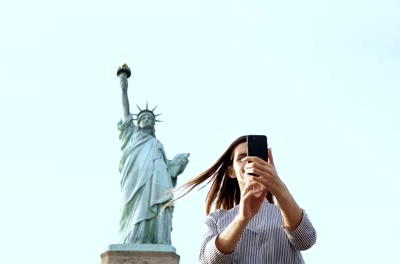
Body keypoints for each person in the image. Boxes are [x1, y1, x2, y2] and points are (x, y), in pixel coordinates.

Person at [173, 135, 316, 263]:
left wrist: (280, 188)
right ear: (231, 172)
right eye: (241, 158)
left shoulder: (286, 213)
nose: (249, 161)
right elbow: (209, 260)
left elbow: (306, 240)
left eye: (256, 156)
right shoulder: (216, 220)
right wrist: (242, 219)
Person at [117, 67, 189, 245]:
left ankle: (155, 239)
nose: (147, 119)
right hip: (135, 181)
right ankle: (134, 239)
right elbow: (125, 111)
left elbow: (168, 168)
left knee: (159, 208)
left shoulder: (157, 145)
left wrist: (177, 164)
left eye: (150, 118)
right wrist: (123, 87)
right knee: (133, 211)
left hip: (157, 183)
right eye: (143, 118)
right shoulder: (132, 135)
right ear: (138, 123)